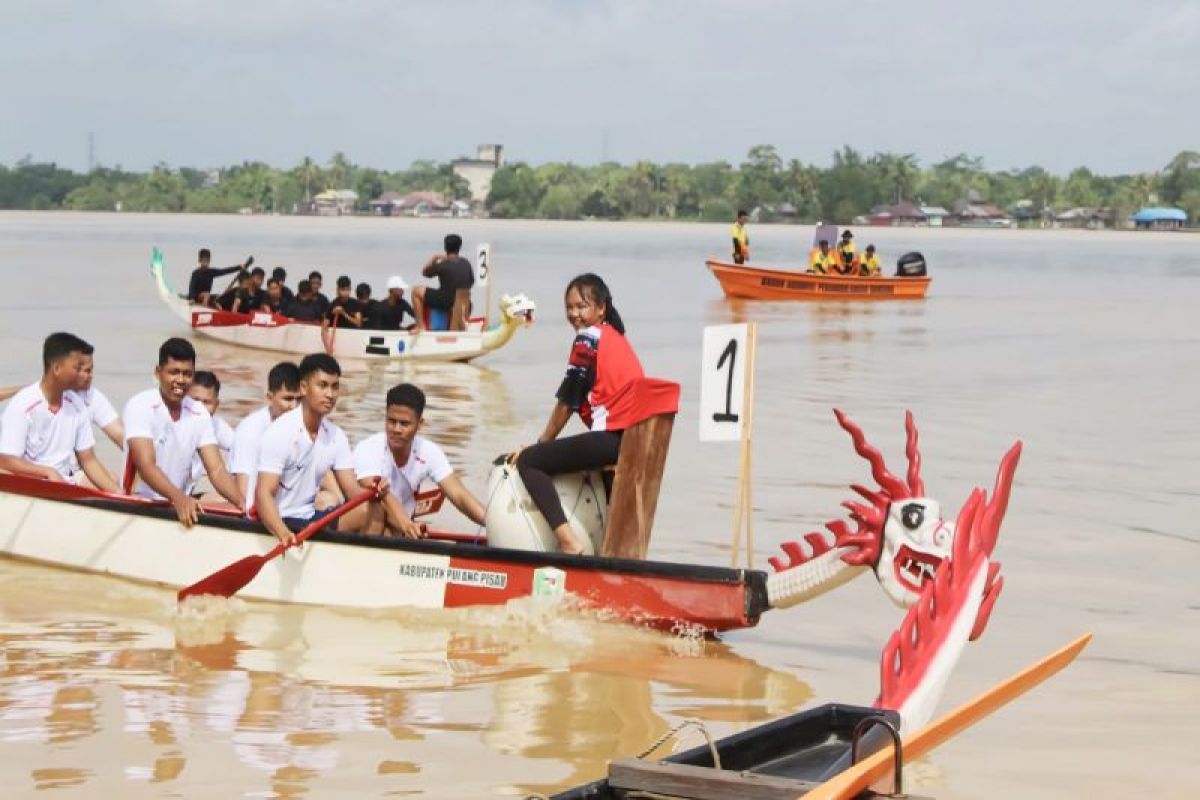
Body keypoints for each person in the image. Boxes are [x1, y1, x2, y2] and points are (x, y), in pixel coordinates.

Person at [514, 274, 649, 555]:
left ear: (601, 308)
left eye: (581, 306)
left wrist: (541, 444)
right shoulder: (617, 337)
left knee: (529, 462)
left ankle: (568, 542)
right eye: (569, 307)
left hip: (611, 440)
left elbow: (568, 399)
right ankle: (611, 551)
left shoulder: (589, 338)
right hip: (634, 441)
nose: (574, 314)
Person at [122, 337, 243, 526]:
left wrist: (243, 504)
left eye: (187, 374)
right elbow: (146, 467)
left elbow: (217, 470)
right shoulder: (140, 405)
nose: (180, 380)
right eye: (173, 372)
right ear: (157, 372)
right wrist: (178, 498)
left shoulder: (199, 413)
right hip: (140, 502)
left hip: (179, 504)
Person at [254, 353, 363, 545]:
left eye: (335, 387)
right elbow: (263, 495)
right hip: (283, 521)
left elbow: (354, 493)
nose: (330, 394)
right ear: (304, 388)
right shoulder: (280, 432)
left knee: (370, 509)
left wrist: (379, 493)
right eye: (322, 385)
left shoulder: (336, 435)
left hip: (311, 517)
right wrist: (283, 533)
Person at [352, 383, 486, 537]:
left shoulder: (429, 451)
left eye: (404, 424)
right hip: (366, 520)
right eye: (391, 421)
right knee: (377, 510)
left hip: (398, 524)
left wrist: (493, 523)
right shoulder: (369, 448)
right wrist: (407, 524)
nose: (396, 429)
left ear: (420, 424)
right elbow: (381, 495)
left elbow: (459, 495)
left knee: (394, 531)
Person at [0, 332, 120, 491]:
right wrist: (47, 471)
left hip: (64, 479)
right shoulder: (22, 405)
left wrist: (120, 495)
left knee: (112, 481)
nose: (82, 374)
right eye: (77, 368)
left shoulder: (77, 404)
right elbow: (6, 460)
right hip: (31, 479)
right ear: (56, 368)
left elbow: (89, 460)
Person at [229, 361, 301, 511]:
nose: (294, 407)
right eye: (287, 399)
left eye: (299, 399)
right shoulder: (251, 430)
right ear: (269, 397)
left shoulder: (304, 427)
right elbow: (244, 494)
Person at [186, 371, 235, 496]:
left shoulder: (216, 425)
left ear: (216, 404)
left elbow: (241, 447)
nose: (200, 408)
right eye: (195, 400)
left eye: (206, 402)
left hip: (187, 493)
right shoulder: (171, 420)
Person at [412, 234, 474, 331]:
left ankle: (420, 326)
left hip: (447, 301)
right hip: (465, 303)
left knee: (416, 291)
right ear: (460, 247)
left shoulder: (443, 265)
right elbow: (471, 282)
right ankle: (461, 326)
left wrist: (435, 258)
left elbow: (424, 272)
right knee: (461, 298)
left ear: (445, 247)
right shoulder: (466, 263)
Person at [71, 347, 124, 449]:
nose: (91, 375)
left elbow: (122, 436)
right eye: (87, 371)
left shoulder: (91, 395)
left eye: (92, 370)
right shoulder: (39, 398)